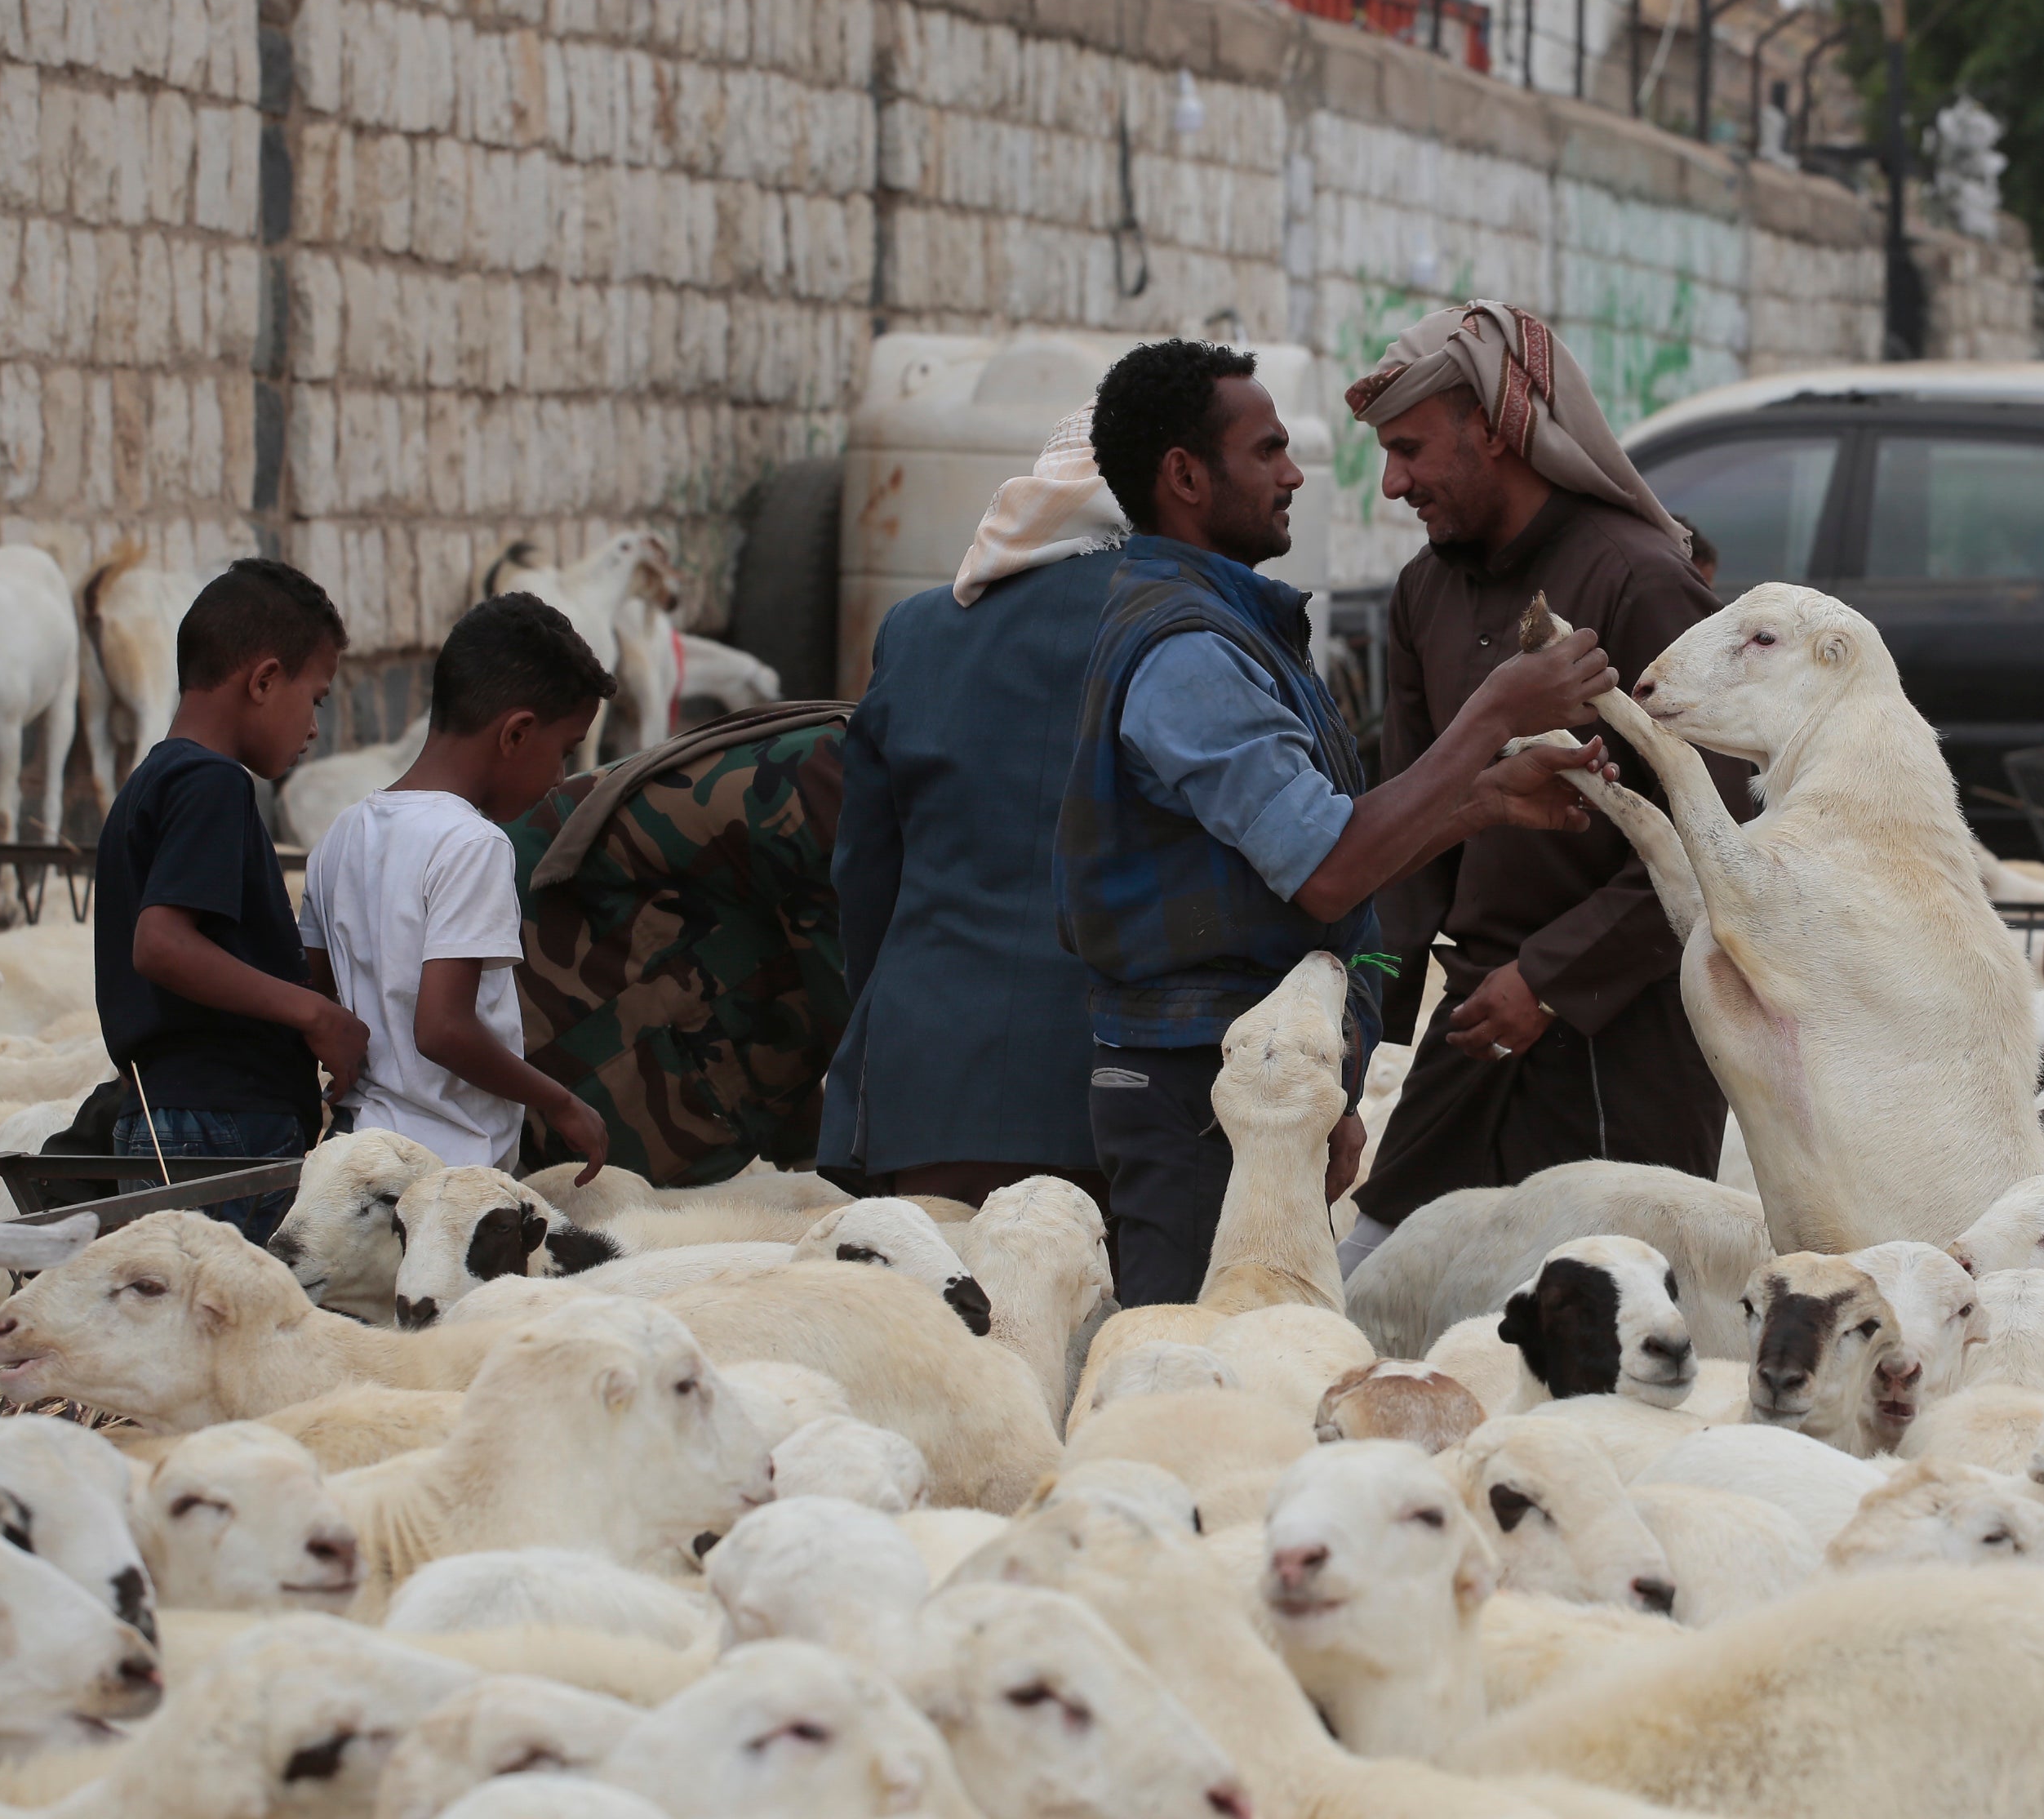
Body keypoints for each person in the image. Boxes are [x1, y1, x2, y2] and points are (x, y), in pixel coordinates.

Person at [1057, 338, 1620, 1305]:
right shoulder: (1186, 652)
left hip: (1259, 1090)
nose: (1294, 474)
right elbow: (1326, 868)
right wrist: (1494, 712)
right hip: (1205, 1100)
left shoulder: (1228, 625)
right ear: (1186, 476)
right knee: (1208, 1383)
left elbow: (1320, 843)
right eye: (1268, 450)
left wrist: (1487, 795)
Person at [1340, 301, 1740, 1259]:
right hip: (1475, 1030)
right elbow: (1408, 831)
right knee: (1371, 1288)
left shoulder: (1639, 580)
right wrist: (1352, 1045)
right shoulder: (1421, 592)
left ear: (1492, 428)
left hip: (1625, 1047)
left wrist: (1551, 980)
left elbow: (1715, 835)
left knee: (1595, 1354)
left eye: (1410, 449)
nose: (1393, 483)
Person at [820, 409, 1128, 1209]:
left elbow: (864, 871)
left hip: (928, 1077)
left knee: (941, 1324)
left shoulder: (919, 628)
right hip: (1111, 1085)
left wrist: (883, 1020)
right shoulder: (1186, 631)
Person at [93, 559, 366, 1244]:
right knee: (231, 1340)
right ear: (265, 680)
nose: (312, 728)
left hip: (168, 1117)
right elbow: (162, 944)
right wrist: (315, 1013)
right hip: (224, 1123)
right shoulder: (212, 783)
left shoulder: (152, 781)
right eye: (317, 699)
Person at [299, 594, 615, 1176]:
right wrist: (560, 1101)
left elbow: (320, 995)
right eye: (564, 751)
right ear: (517, 734)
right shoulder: (474, 844)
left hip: (355, 1157)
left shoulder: (341, 834)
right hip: (444, 1172)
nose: (560, 777)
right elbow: (443, 1029)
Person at [509, 705, 851, 1185]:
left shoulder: (845, 756)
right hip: (558, 989)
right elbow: (858, 1025)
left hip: (634, 1013)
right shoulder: (837, 785)